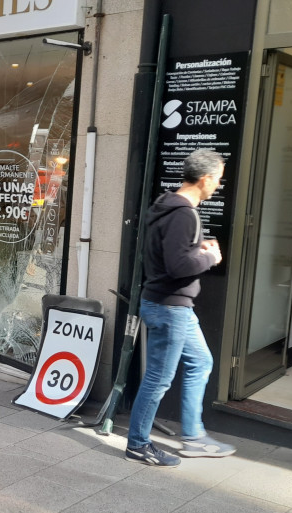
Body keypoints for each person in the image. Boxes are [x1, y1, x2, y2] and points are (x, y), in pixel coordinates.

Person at [125, 149, 235, 468]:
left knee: (201, 361)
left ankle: (193, 436)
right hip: (169, 308)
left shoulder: (167, 206)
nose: (218, 186)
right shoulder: (184, 213)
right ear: (205, 179)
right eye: (217, 180)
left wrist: (196, 250)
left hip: (172, 307)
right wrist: (209, 257)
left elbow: (169, 254)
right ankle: (138, 445)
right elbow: (177, 266)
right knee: (159, 378)